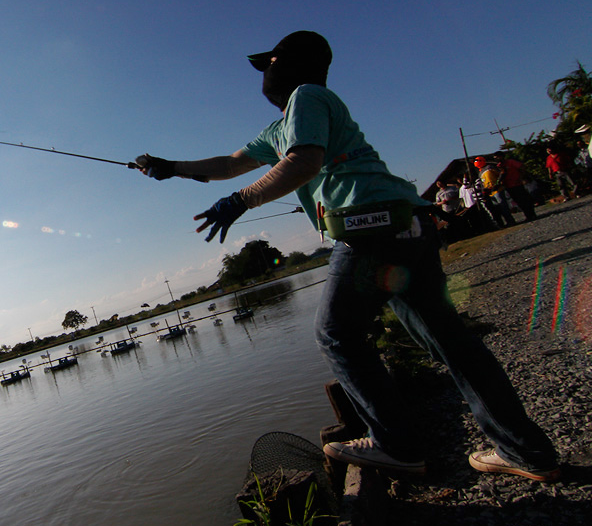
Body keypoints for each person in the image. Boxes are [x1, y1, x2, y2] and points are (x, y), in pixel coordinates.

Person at [136, 30, 558, 481]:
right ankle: (524, 450)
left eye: (269, 65)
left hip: (369, 226)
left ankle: (397, 446)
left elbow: (303, 163)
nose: (265, 76)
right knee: (448, 340)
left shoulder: (308, 96)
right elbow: (228, 164)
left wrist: (239, 202)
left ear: (289, 64)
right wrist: (172, 168)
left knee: (336, 334)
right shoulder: (281, 126)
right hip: (405, 225)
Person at [475, 155, 515, 228]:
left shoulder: (490, 168)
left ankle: (511, 221)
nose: (477, 162)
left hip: (498, 190)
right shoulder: (480, 173)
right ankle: (505, 222)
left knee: (503, 207)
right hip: (490, 193)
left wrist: (498, 183)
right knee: (498, 208)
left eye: (478, 160)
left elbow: (501, 174)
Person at [495, 152, 537, 221]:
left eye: (498, 157)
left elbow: (522, 167)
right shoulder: (499, 166)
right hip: (509, 186)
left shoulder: (510, 162)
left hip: (517, 184)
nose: (497, 159)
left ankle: (531, 214)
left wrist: (521, 177)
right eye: (495, 158)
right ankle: (528, 215)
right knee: (519, 202)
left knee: (525, 200)